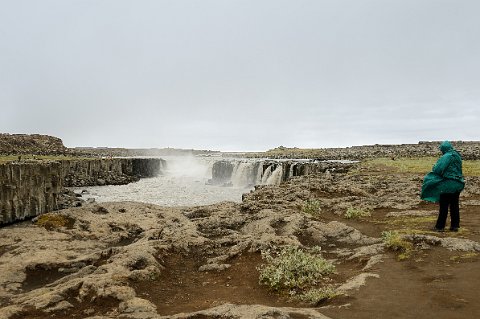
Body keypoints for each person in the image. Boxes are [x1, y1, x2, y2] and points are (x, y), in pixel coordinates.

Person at [421, 141, 465, 232]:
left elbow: (438, 169)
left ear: (443, 149)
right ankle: (455, 226)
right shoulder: (457, 156)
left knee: (444, 206)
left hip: (448, 185)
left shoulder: (446, 156)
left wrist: (434, 169)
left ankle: (440, 227)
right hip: (458, 183)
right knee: (454, 205)